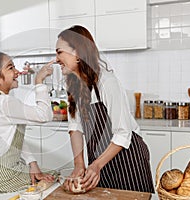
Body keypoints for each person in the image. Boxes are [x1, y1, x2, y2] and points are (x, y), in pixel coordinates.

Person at [55, 25, 154, 193]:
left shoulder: (107, 82)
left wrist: (96, 165)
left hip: (128, 160)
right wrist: (79, 164)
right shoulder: (73, 85)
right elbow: (75, 128)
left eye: (59, 52)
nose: (56, 58)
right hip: (99, 162)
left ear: (77, 53)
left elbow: (123, 132)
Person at [0, 51, 56, 193]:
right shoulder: (5, 102)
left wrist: (32, 163)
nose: (17, 72)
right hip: (2, 176)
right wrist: (39, 82)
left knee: (44, 177)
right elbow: (44, 115)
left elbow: (14, 139)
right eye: (10, 68)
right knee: (53, 177)